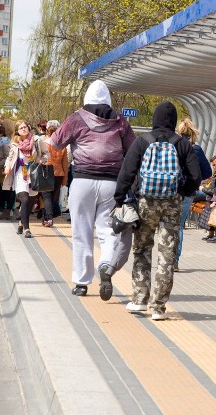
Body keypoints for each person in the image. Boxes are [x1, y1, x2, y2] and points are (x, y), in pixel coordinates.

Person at [115, 101, 202, 320]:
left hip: (146, 203)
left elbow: (127, 171)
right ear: (173, 121)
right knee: (167, 254)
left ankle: (139, 299)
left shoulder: (142, 141)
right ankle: (158, 308)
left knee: (142, 250)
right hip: (172, 204)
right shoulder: (182, 144)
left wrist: (119, 198)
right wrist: (182, 191)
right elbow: (196, 176)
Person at [50, 80, 136, 298]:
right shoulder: (121, 122)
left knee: (82, 233)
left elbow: (55, 142)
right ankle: (106, 264)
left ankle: (81, 282)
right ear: (107, 98)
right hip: (111, 184)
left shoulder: (76, 118)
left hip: (82, 182)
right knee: (108, 231)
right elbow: (133, 150)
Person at [175, 117, 213, 271]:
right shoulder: (195, 149)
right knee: (179, 226)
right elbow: (207, 172)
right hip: (188, 192)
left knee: (167, 225)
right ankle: (175, 261)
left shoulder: (173, 145)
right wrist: (194, 179)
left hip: (171, 190)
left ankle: (165, 257)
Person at [2, 120, 48, 239]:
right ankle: (27, 229)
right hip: (20, 174)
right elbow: (10, 157)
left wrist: (42, 160)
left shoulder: (37, 140)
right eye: (21, 128)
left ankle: (21, 223)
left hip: (34, 174)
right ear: (17, 131)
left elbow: (46, 154)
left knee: (30, 203)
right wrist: (7, 167)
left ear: (28, 128)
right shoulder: (14, 144)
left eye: (25, 127)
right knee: (25, 200)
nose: (23, 129)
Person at [39, 119, 68, 226]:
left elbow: (40, 159)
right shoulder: (62, 146)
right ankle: (46, 217)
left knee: (46, 196)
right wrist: (65, 180)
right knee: (53, 197)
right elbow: (65, 164)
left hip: (46, 171)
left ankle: (49, 218)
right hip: (59, 173)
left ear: (47, 131)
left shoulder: (44, 143)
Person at [0, 119, 18, 220]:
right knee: (9, 190)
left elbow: (7, 157)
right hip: (8, 168)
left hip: (6, 169)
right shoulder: (9, 140)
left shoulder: (6, 141)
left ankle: (8, 210)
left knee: (8, 190)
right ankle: (8, 210)